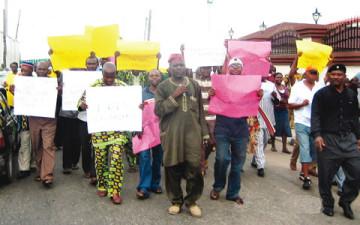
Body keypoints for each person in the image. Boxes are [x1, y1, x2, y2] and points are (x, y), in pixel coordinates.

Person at [155, 54, 209, 217]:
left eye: (182, 65)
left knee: (194, 166)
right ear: (169, 67)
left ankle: (192, 201)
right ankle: (176, 201)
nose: (179, 68)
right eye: (176, 65)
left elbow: (200, 110)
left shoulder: (194, 85)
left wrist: (205, 133)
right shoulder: (163, 87)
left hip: (192, 133)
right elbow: (158, 110)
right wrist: (175, 95)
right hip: (172, 134)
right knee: (172, 166)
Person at [311, 64, 360, 220]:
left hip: (349, 139)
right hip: (328, 140)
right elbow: (316, 116)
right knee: (325, 176)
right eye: (333, 74)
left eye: (340, 74)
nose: (336, 77)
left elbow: (354, 118)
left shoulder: (352, 95)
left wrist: (358, 137)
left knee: (356, 173)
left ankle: (345, 201)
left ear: (344, 76)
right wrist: (317, 135)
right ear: (329, 76)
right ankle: (327, 204)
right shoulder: (321, 95)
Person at [208, 57, 256, 203]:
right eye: (233, 66)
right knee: (222, 159)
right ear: (228, 68)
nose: (235, 68)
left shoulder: (249, 86)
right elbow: (213, 103)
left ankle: (233, 193)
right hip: (223, 127)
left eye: (238, 66)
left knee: (237, 164)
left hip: (241, 129)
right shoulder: (221, 84)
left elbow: (252, 104)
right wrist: (211, 95)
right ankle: (217, 187)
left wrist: (257, 95)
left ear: (242, 69)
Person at [79, 62, 127, 204]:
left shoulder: (123, 87)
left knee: (116, 158)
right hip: (99, 131)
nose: (110, 79)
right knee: (100, 161)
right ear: (102, 74)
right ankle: (102, 184)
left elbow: (132, 105)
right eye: (107, 77)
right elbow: (80, 103)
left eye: (112, 76)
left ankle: (115, 190)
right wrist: (82, 105)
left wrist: (137, 106)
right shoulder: (93, 87)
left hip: (117, 131)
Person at [288, 66, 323, 190]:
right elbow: (289, 105)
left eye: (316, 73)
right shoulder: (297, 86)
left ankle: (304, 171)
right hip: (301, 122)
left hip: (316, 123)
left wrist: (329, 62)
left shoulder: (320, 87)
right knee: (304, 148)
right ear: (306, 74)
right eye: (312, 72)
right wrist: (301, 104)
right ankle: (307, 178)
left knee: (315, 151)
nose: (314, 75)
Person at [27, 62, 58, 187]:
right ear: (35, 69)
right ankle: (40, 171)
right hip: (34, 119)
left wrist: (59, 92)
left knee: (48, 146)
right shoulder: (29, 84)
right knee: (37, 145)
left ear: (48, 71)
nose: (41, 71)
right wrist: (15, 91)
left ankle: (47, 176)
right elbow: (23, 98)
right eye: (39, 69)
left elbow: (61, 100)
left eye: (44, 69)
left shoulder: (54, 84)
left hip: (49, 120)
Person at [135, 69, 163, 200]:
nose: (154, 77)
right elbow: (134, 111)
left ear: (161, 77)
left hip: (161, 129)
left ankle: (155, 184)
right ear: (148, 78)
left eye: (157, 75)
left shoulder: (165, 92)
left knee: (158, 157)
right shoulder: (141, 93)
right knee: (145, 157)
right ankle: (144, 187)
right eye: (151, 75)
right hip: (145, 130)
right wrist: (136, 126)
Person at [78, 56, 99, 184]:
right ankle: (86, 169)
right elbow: (73, 95)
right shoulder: (79, 78)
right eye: (89, 63)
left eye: (93, 63)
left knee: (97, 146)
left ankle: (94, 171)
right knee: (85, 146)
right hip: (83, 118)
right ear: (85, 64)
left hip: (99, 117)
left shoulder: (103, 77)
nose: (91, 66)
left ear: (97, 64)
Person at [13, 62, 33, 179]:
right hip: (23, 120)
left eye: (25, 70)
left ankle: (33, 164)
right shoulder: (18, 81)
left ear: (31, 70)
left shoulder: (39, 82)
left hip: (36, 118)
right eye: (22, 69)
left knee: (35, 144)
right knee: (24, 143)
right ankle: (24, 168)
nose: (23, 72)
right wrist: (13, 90)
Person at [271, 72, 292, 153]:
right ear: (274, 78)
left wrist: (286, 100)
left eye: (281, 77)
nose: (279, 79)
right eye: (277, 77)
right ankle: (273, 145)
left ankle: (284, 147)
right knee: (274, 127)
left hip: (284, 110)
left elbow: (288, 97)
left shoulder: (285, 87)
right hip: (274, 110)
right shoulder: (272, 87)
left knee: (285, 127)